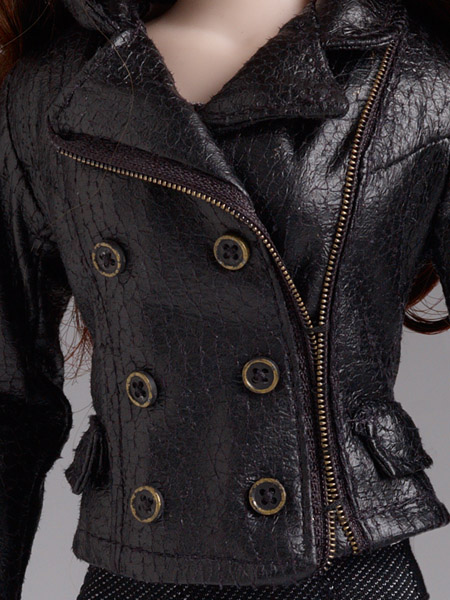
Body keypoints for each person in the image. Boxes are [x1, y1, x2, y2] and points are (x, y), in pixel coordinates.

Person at [0, 0, 449, 599]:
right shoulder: (51, 90)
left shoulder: (412, 77)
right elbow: (10, 401)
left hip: (345, 568)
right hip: (139, 571)